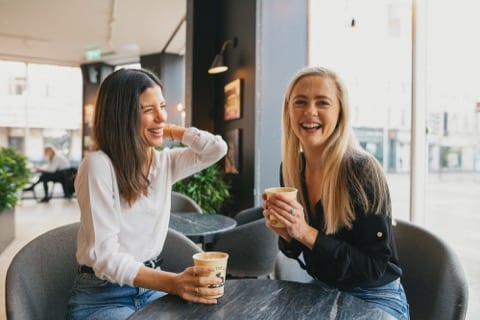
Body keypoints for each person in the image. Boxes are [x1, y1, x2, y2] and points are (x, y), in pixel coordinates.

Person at [66, 68, 227, 319]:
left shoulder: (164, 163)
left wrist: (172, 131)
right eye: (148, 110)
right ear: (122, 116)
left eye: (162, 106)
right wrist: (173, 283)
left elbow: (216, 149)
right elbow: (105, 258)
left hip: (150, 289)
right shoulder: (98, 165)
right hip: (103, 297)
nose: (161, 116)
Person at [262, 66, 409, 319]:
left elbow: (373, 267)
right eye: (300, 102)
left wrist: (305, 232)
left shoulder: (362, 171)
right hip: (325, 289)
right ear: (288, 111)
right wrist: (287, 234)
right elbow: (297, 250)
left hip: (375, 296)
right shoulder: (291, 169)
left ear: (340, 112)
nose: (310, 111)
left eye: (323, 102)